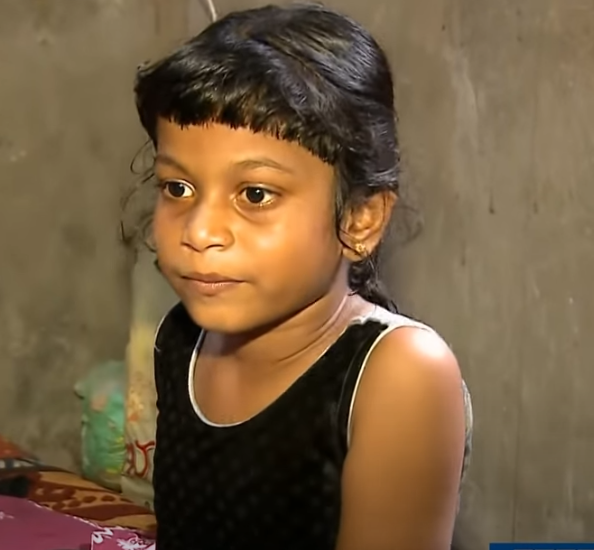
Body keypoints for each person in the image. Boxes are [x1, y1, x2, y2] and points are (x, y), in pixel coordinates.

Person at [134, 4, 473, 549]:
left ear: (360, 219)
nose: (199, 231)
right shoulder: (181, 341)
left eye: (254, 195)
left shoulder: (400, 376)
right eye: (178, 188)